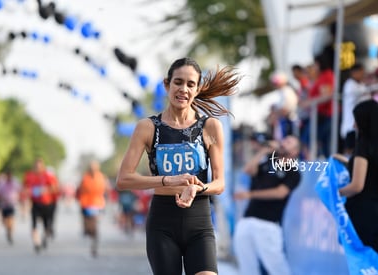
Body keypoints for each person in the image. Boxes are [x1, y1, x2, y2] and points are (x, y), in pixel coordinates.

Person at [116, 57, 241, 275]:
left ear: (197, 89)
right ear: (167, 84)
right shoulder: (147, 128)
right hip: (162, 225)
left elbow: (220, 183)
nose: (183, 89)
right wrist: (167, 180)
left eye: (190, 84)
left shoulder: (209, 126)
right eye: (178, 82)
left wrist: (197, 187)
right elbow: (124, 179)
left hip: (199, 223)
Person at [334, 100, 378, 253]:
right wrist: (347, 162)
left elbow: (357, 186)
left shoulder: (363, 146)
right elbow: (370, 170)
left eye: (356, 121)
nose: (353, 126)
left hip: (363, 215)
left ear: (364, 122)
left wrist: (335, 193)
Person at [233, 135, 301, 275]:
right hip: (248, 219)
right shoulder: (267, 163)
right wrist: (263, 151)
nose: (283, 143)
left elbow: (280, 193)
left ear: (295, 151)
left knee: (276, 266)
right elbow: (248, 170)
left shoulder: (293, 172)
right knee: (247, 266)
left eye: (288, 142)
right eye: (284, 140)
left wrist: (250, 195)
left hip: (268, 224)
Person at [23, 158, 59, 253]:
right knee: (34, 224)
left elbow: (55, 189)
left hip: (47, 204)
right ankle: (36, 243)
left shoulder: (48, 176)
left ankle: (44, 238)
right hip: (35, 203)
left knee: (46, 225)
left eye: (39, 166)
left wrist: (45, 189)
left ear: (42, 166)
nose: (38, 168)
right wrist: (27, 193)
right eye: (36, 166)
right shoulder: (29, 175)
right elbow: (25, 187)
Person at [76, 160, 110, 257]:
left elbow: (107, 189)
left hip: (97, 203)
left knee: (94, 225)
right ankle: (89, 232)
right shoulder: (84, 177)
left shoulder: (102, 177)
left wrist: (107, 200)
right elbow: (78, 190)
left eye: (94, 167)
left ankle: (94, 243)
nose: (93, 169)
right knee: (88, 226)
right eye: (91, 167)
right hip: (86, 203)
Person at [340, 63, 370, 154]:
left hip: (361, 126)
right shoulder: (349, 84)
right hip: (350, 125)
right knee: (350, 149)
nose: (363, 75)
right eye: (361, 72)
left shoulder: (362, 85)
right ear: (354, 72)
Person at [0, 169, 21, 244]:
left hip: (12, 204)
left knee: (11, 219)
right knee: (4, 221)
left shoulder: (15, 183)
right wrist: (2, 198)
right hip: (4, 205)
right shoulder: (2, 184)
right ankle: (8, 230)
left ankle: (10, 233)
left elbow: (20, 191)